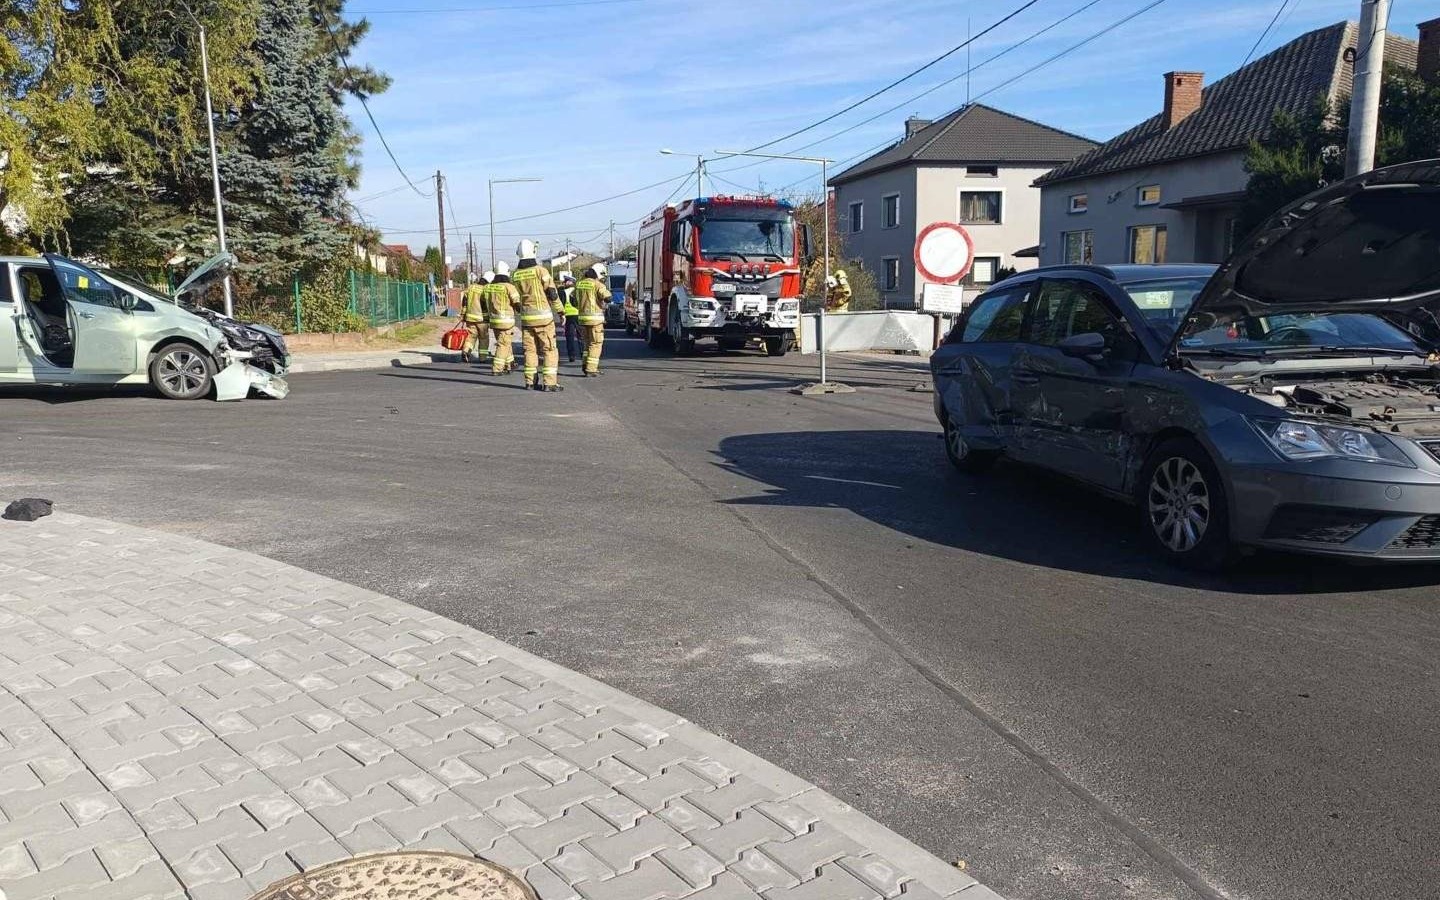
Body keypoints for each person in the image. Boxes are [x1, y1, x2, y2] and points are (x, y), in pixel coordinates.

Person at [511, 240, 565, 391]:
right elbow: (552, 293)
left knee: (530, 351)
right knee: (549, 350)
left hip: (526, 320)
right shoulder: (541, 271)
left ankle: (530, 382)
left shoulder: (516, 274)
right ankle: (549, 383)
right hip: (544, 320)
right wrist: (561, 311)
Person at [572, 263, 612, 377]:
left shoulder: (579, 284)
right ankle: (591, 369)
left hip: (582, 320)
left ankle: (585, 365)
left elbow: (574, 301)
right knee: (595, 344)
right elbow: (608, 297)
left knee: (587, 344)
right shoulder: (597, 284)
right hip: (595, 320)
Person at [481, 265, 519, 376]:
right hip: (506, 322)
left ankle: (510, 364)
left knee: (504, 342)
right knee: (503, 344)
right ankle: (497, 368)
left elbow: (483, 300)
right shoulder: (509, 287)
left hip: (494, 321)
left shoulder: (488, 287)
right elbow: (516, 303)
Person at [458, 275, 489, 364]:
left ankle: (466, 351)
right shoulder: (485, 289)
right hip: (482, 319)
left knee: (471, 336)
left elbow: (465, 301)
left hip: (470, 318)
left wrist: (463, 314)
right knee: (483, 338)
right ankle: (483, 358)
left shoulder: (471, 287)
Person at [558, 272, 580, 363]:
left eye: (566, 281)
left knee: (570, 337)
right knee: (581, 336)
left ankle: (572, 356)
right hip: (578, 316)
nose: (564, 283)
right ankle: (583, 354)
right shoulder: (577, 291)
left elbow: (561, 305)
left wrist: (561, 316)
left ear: (570, 282)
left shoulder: (563, 292)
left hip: (568, 316)